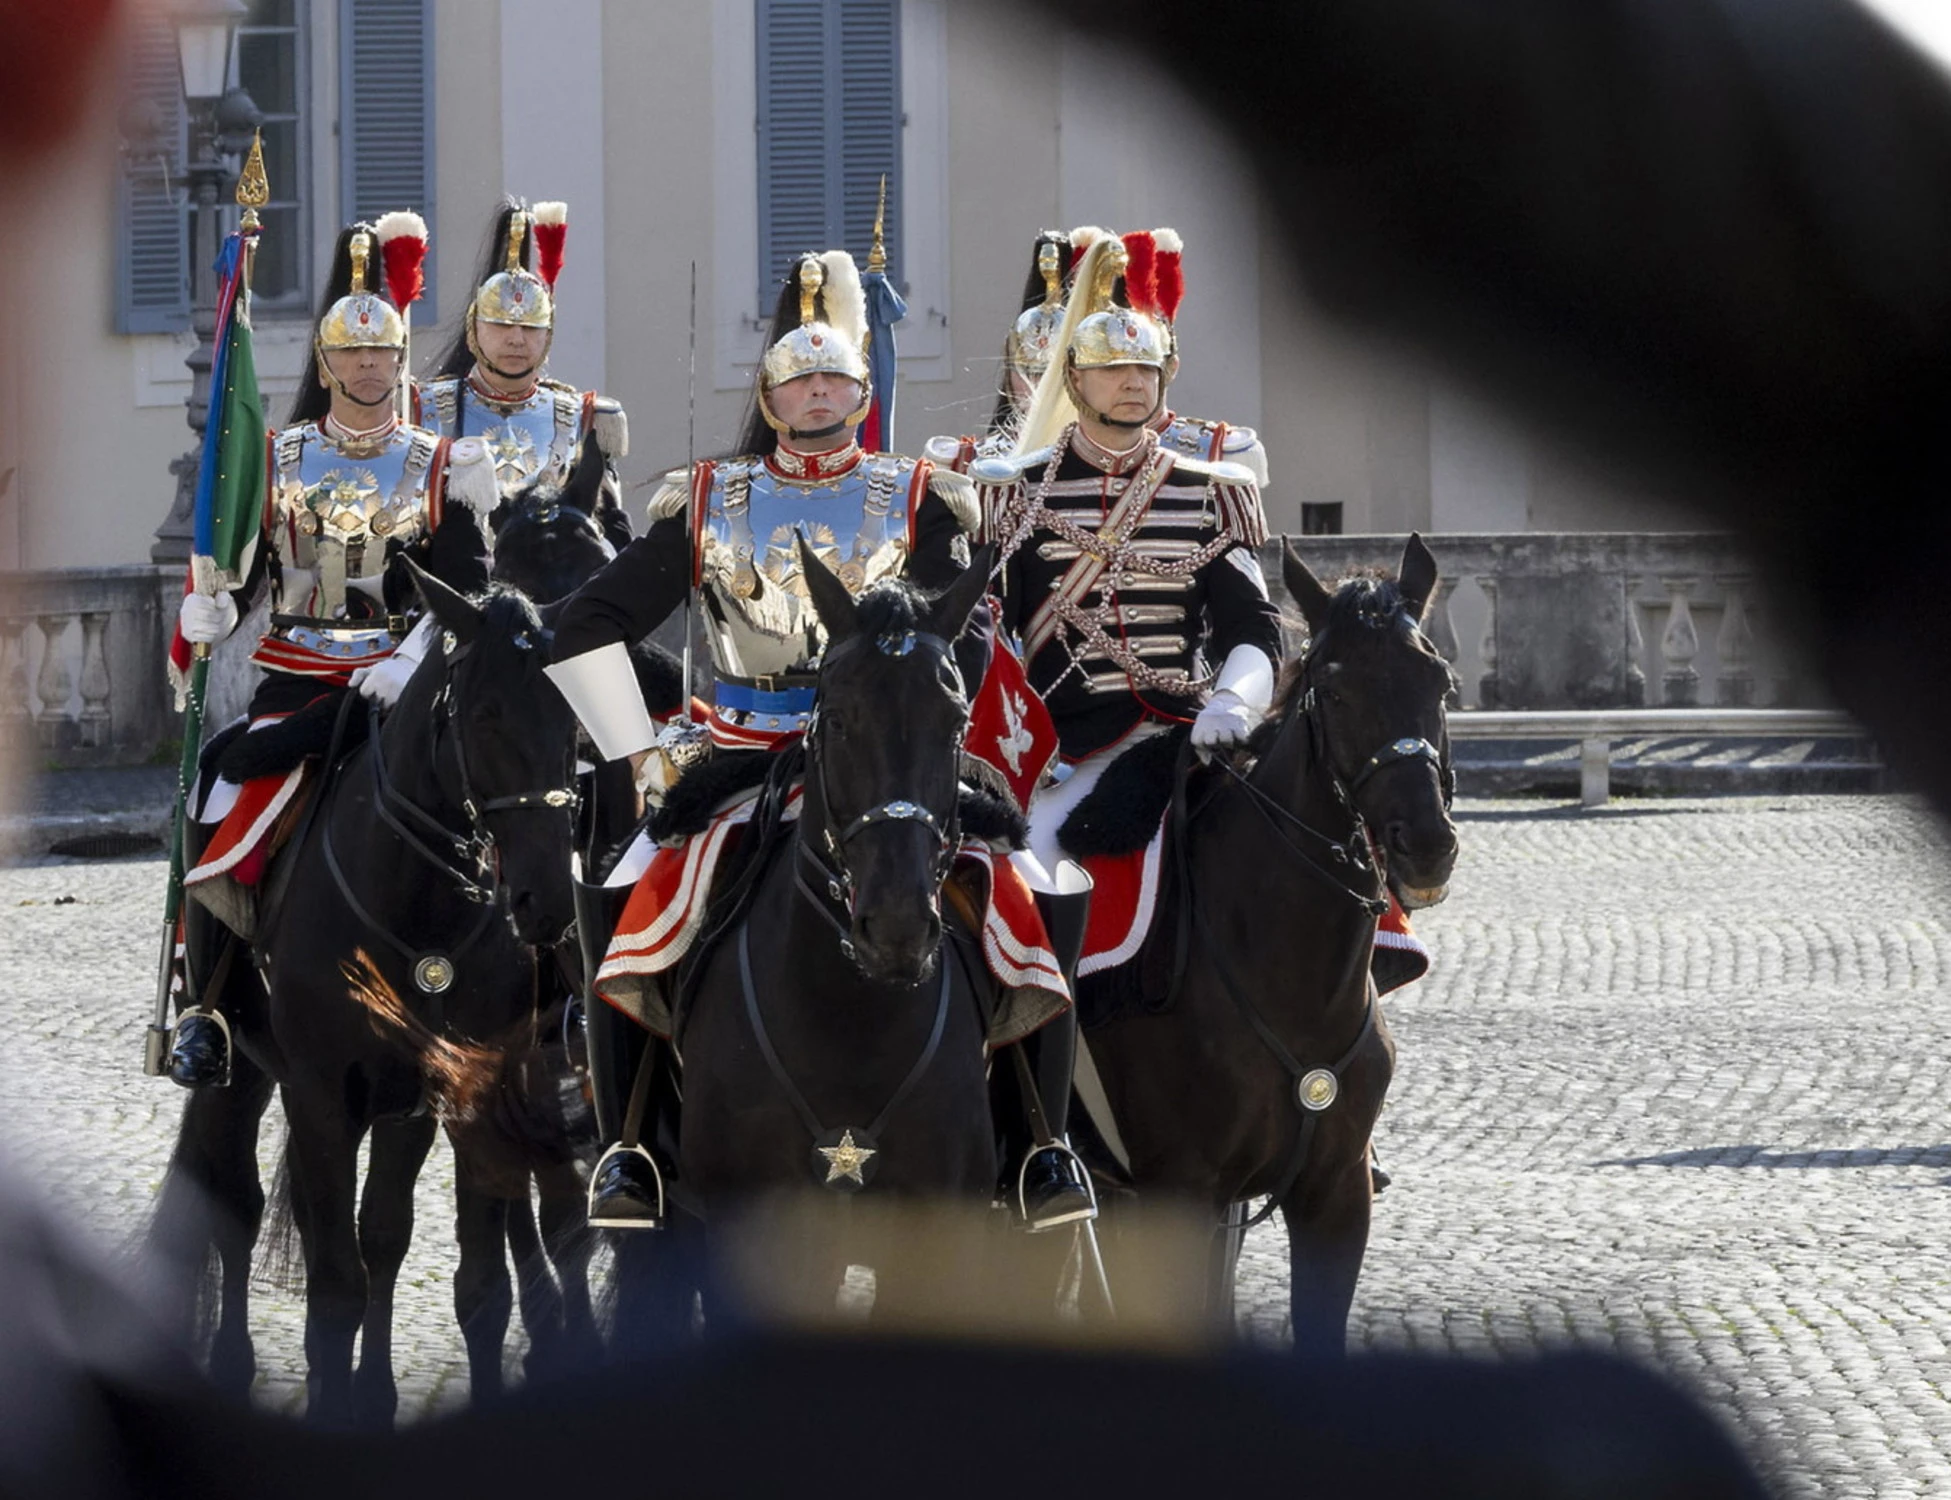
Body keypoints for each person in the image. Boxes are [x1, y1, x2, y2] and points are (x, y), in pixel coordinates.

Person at [545, 248, 1007, 1228]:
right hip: (737, 746)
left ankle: (1043, 1140)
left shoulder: (921, 496)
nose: (816, 391)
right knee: (626, 889)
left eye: (834, 375)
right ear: (768, 391)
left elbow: (961, 626)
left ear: (862, 386)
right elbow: (584, 627)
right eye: (797, 378)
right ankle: (628, 1144)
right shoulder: (713, 498)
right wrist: (638, 753)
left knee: (1024, 890)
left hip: (879, 749)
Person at [166, 217, 497, 1086]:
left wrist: (411, 655)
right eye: (348, 355)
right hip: (300, 685)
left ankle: (535, 989)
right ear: (324, 364)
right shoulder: (276, 461)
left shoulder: (445, 468)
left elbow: (469, 595)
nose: (365, 367)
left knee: (520, 802)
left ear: (399, 361)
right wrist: (210, 610)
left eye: (380, 353)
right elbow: (240, 577)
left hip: (405, 688)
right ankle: (207, 999)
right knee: (218, 786)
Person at [417, 199, 629, 501]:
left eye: (530, 328)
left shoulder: (584, 417)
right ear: (474, 328)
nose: (517, 339)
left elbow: (606, 531)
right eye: (502, 325)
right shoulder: (422, 408)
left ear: (548, 334)